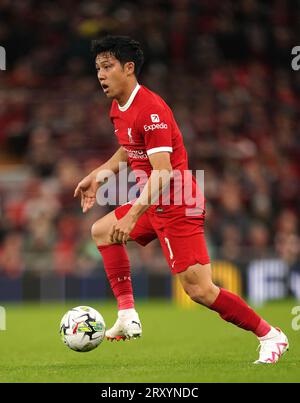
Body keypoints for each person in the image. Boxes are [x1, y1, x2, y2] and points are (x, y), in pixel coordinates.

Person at [74, 35, 289, 364]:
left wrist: (132, 216)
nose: (101, 75)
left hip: (177, 201)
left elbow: (163, 173)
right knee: (102, 231)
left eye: (108, 67)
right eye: (98, 68)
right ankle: (128, 316)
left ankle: (270, 334)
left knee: (200, 291)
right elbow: (129, 148)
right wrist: (99, 174)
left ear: (128, 68)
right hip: (154, 200)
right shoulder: (118, 108)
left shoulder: (152, 110)